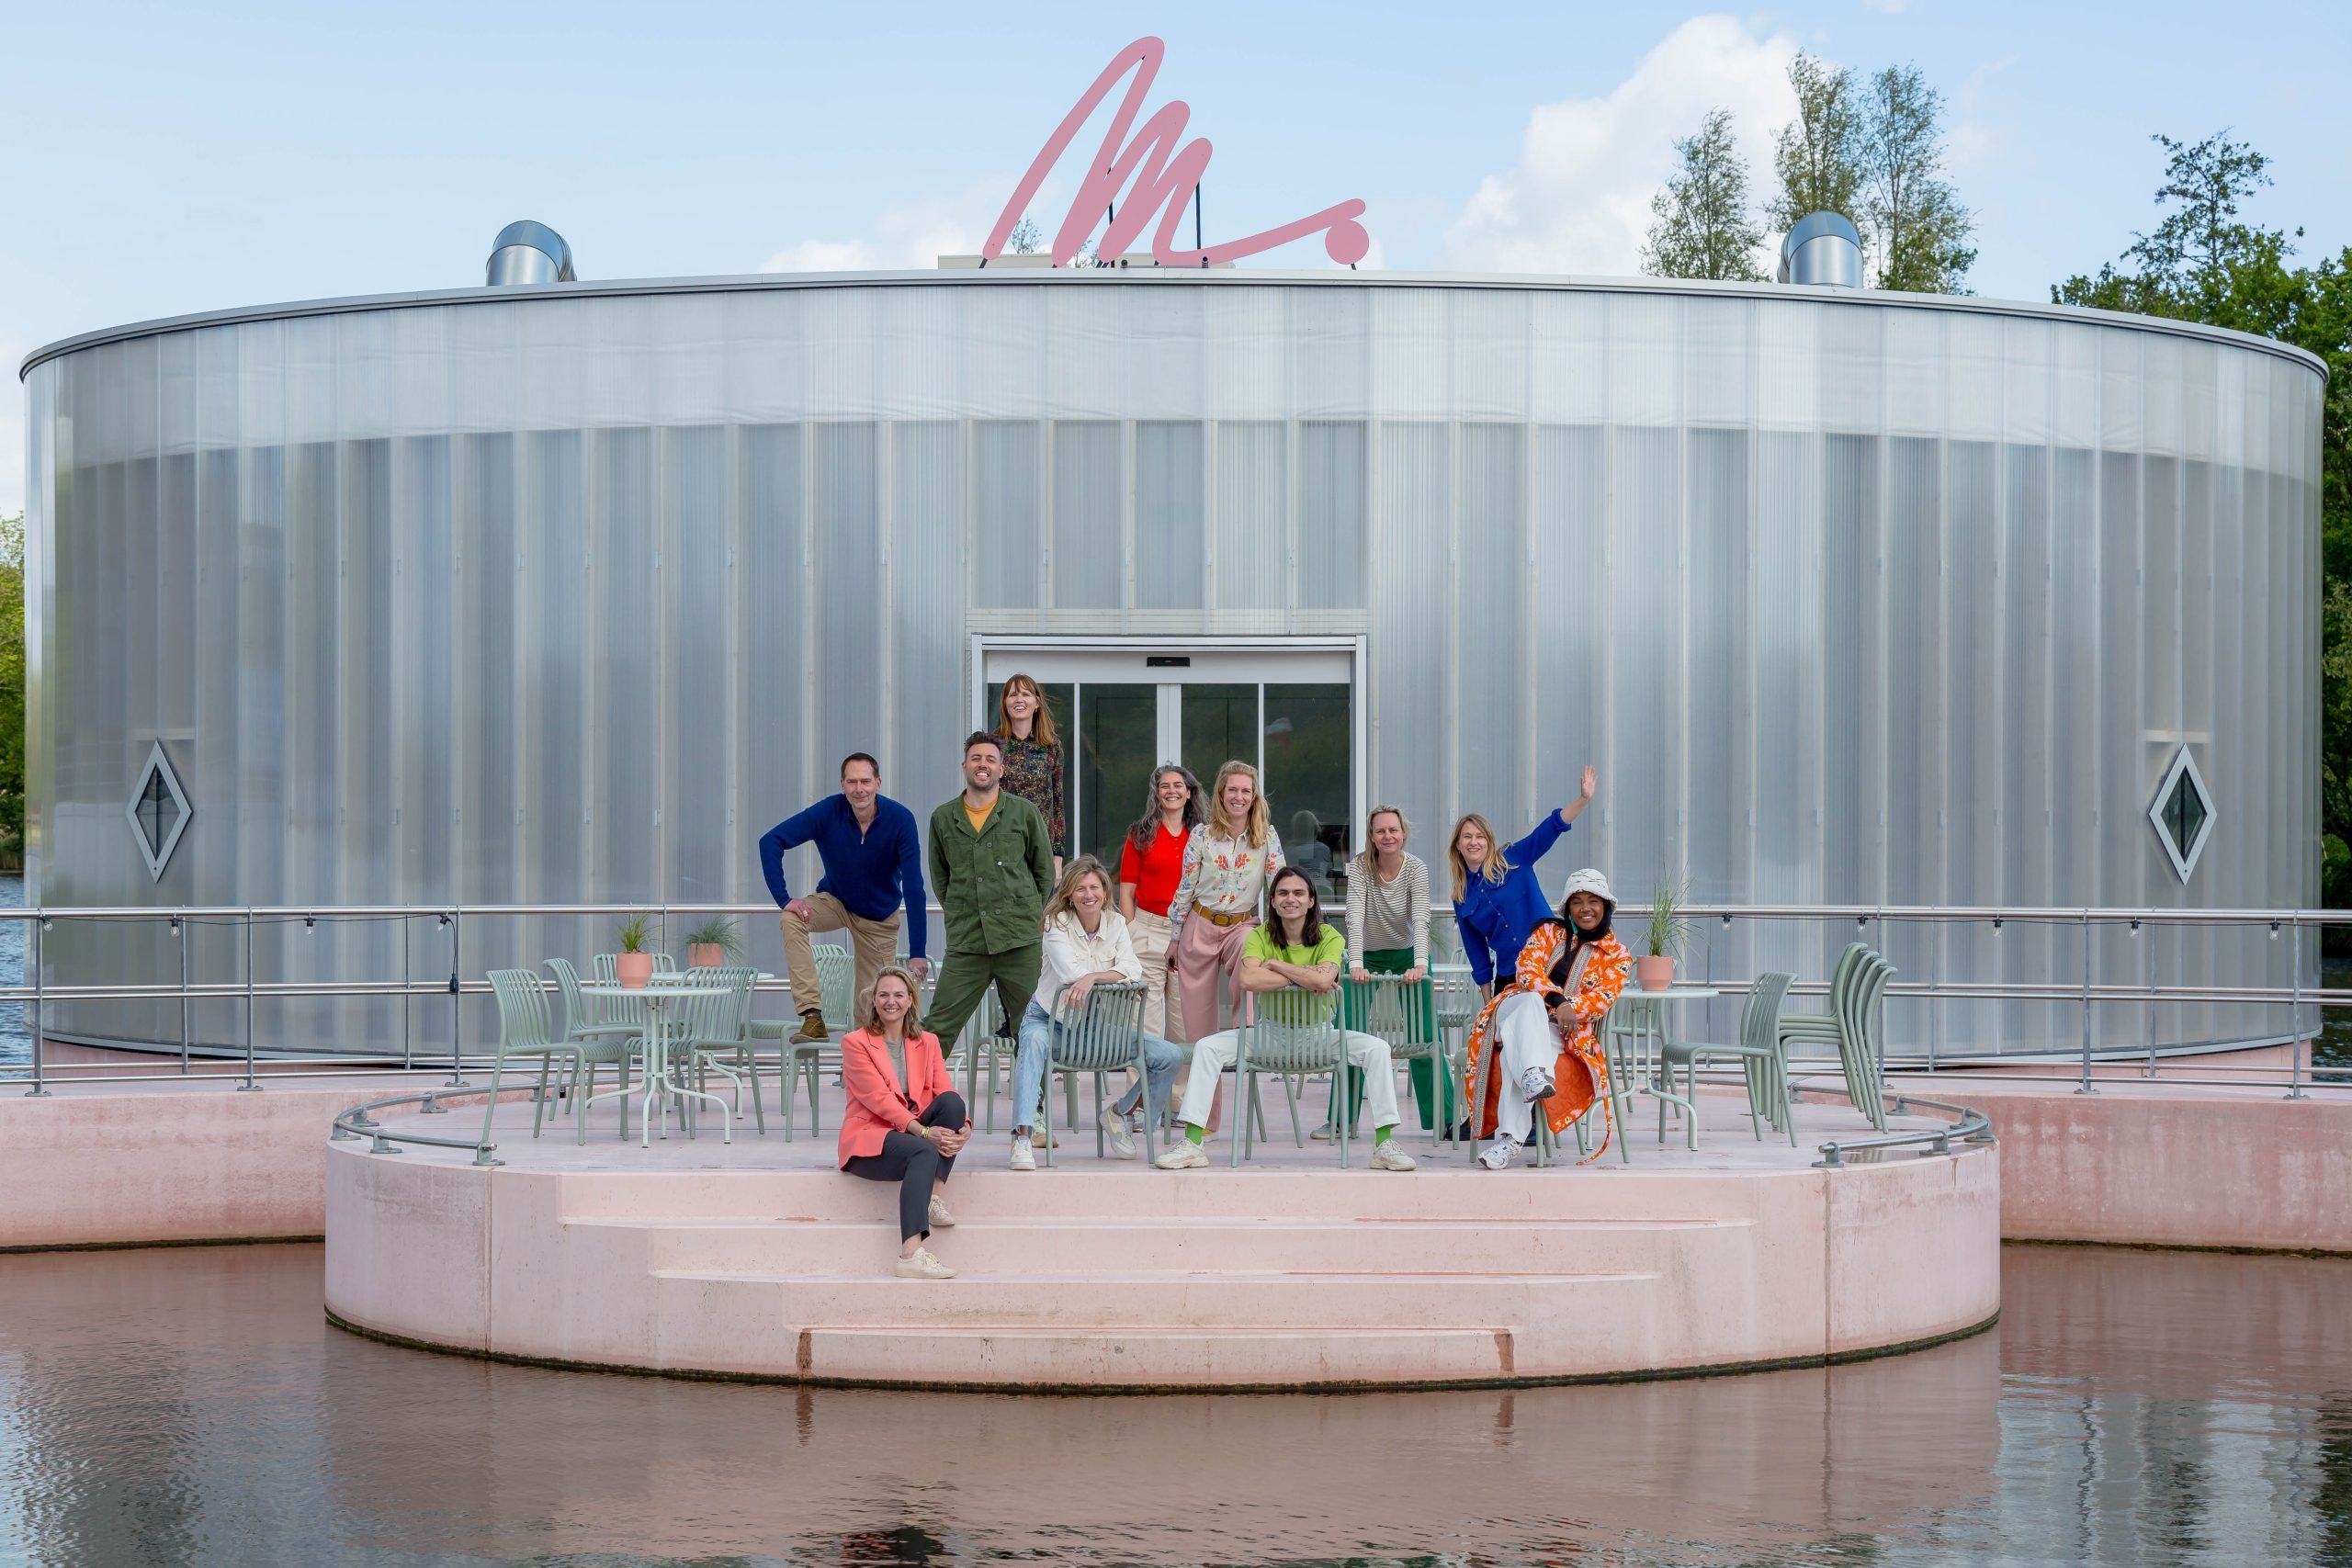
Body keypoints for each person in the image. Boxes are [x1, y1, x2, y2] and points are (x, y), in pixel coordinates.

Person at [1157, 866, 1417, 1171]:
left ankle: (1384, 1145)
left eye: (1298, 893)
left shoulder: (1329, 936)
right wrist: (1308, 977)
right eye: (1282, 893)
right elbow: (1249, 979)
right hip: (1268, 1037)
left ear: (1311, 901)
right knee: (1206, 1048)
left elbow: (1324, 981)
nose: (1290, 899)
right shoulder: (1259, 935)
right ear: (1273, 901)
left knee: (1378, 1049)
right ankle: (1192, 1144)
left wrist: (1278, 966)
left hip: (1319, 1036)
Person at [1008, 857, 1187, 1169]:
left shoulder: (1116, 923)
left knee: (1169, 1056)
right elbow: (1068, 972)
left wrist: (1092, 978)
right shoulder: (1055, 924)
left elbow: (1134, 968)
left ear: (1105, 891)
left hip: (1093, 1028)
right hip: (1049, 1021)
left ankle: (1121, 1113)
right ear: (1069, 894)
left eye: (1094, 887)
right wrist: (1101, 974)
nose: (1088, 895)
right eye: (1080, 889)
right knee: (1032, 1045)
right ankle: (1022, 1138)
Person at [1461, 869, 1633, 1169]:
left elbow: (1601, 1001)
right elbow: (1526, 969)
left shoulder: (1617, 956)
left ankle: (1510, 1139)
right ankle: (1532, 1076)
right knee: (1530, 1002)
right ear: (1567, 908)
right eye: (1577, 902)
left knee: (1516, 1055)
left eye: (1593, 901)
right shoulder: (1548, 933)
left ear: (1606, 906)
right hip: (1512, 1009)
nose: (1585, 908)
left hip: (1560, 1032)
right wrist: (1558, 1001)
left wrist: (1569, 1008)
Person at [759, 752, 930, 1039]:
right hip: (836, 900)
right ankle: (812, 1016)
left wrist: (917, 952)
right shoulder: (828, 812)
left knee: (871, 1008)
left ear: (878, 782)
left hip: (879, 916)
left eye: (865, 781)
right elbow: (770, 841)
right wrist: (785, 899)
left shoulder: (900, 819)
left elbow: (914, 887)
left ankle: (866, 1074)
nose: (859, 789)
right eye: (852, 782)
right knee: (792, 919)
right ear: (842, 785)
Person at [922, 732, 1056, 1062]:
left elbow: (1044, 873)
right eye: (977, 759)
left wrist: (1026, 915)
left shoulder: (1023, 812)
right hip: (967, 942)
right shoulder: (943, 817)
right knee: (938, 1027)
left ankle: (1032, 1109)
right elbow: (941, 879)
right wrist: (963, 909)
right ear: (964, 765)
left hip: (1019, 942)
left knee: (1030, 1027)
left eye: (990, 759)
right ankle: (919, 1103)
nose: (983, 765)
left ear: (1002, 769)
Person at [839, 965, 971, 1279]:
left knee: (953, 1104)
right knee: (923, 1150)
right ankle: (910, 1254)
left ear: (910, 1000)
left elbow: (944, 1089)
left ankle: (932, 1196)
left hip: (910, 1130)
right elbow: (878, 1099)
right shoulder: (855, 1043)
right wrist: (924, 1131)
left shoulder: (928, 1042)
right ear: (873, 1000)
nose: (891, 1001)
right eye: (883, 995)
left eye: (898, 995)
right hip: (871, 1139)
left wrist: (964, 1128)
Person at [1321, 804, 1434, 1139]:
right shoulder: (1359, 868)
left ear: (1403, 833)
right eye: (1380, 830)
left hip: (1407, 955)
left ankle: (1441, 1118)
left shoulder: (1416, 868)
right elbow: (1354, 916)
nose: (1388, 836)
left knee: (1425, 1036)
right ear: (1371, 836)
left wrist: (1420, 964)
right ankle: (1341, 1119)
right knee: (1349, 1035)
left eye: (1393, 830)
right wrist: (1354, 964)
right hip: (1366, 956)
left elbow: (1422, 917)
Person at [1450, 766, 1600, 1001]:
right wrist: (1489, 1001)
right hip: (1511, 974)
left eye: (1480, 837)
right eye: (1467, 837)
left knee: (1556, 1030)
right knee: (1504, 1036)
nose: (1473, 842)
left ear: (1489, 842)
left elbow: (1549, 829)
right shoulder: (1461, 896)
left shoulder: (1513, 859)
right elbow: (1475, 951)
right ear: (1457, 845)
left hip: (1551, 963)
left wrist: (1583, 799)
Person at [1165, 760, 1283, 1042]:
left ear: (1254, 797)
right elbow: (1186, 888)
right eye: (1232, 790)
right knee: (1199, 1029)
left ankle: (1247, 1034)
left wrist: (1276, 934)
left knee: (1249, 949)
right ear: (1221, 794)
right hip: (1199, 925)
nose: (1238, 797)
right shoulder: (1201, 836)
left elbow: (1278, 887)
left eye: (1245, 791)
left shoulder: (1266, 836)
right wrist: (1175, 938)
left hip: (1240, 925)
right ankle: (1208, 1084)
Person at [1118, 762, 1204, 1042]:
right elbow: (1127, 891)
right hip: (1147, 932)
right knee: (1143, 1024)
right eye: (1164, 786)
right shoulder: (1140, 834)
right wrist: (1131, 930)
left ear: (1189, 792)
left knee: (1182, 1024)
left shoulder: (1203, 836)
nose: (1171, 791)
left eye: (1178, 785)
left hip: (1188, 935)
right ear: (1156, 793)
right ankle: (1143, 1087)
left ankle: (1182, 1088)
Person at [994, 673, 1067, 878]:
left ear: (1037, 703)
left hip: (1041, 846)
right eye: (1013, 695)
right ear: (1005, 703)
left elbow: (1058, 803)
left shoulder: (1051, 746)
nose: (1019, 700)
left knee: (1040, 910)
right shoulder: (994, 745)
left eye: (1026, 694)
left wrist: (1058, 856)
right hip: (1002, 844)